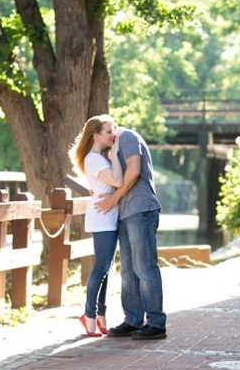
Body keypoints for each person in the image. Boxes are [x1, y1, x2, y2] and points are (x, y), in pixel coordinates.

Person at [93, 124, 166, 340]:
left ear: (112, 128)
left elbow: (134, 170)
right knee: (127, 270)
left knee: (145, 266)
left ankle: (156, 322)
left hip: (140, 208)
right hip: (126, 213)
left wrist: (114, 198)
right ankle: (133, 320)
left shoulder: (127, 137)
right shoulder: (116, 145)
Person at [68, 115, 123, 338]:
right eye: (109, 132)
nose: (114, 135)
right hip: (102, 217)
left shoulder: (101, 156)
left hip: (109, 215)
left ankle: (101, 315)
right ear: (96, 136)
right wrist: (117, 151)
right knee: (101, 267)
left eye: (114, 130)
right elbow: (118, 181)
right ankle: (88, 315)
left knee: (106, 268)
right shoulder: (94, 158)